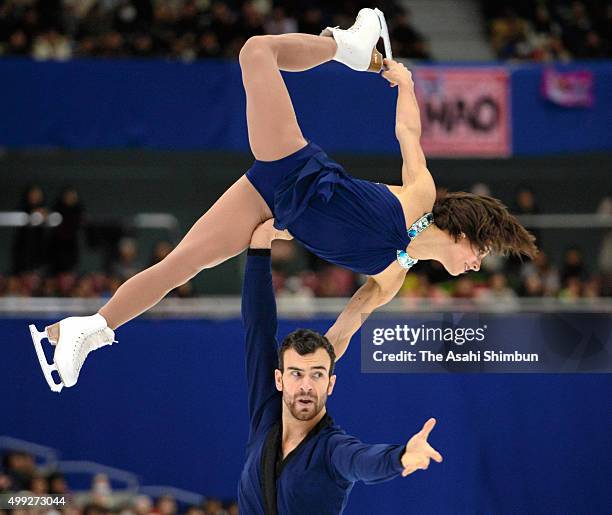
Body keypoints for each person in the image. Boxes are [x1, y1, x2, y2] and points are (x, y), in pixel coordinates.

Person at [32, 8, 536, 391]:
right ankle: (345, 45)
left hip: (270, 207)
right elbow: (408, 131)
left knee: (178, 267)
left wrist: (315, 383)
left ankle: (85, 329)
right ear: (467, 235)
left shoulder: (391, 277)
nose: (477, 266)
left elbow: (343, 330)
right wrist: (403, 81)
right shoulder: (420, 198)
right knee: (256, 51)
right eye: (481, 253)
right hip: (293, 168)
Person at [239, 220, 442, 514]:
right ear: (279, 380)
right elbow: (258, 328)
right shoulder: (266, 417)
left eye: (317, 374)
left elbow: (363, 461)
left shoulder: (333, 449)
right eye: (296, 374)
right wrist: (259, 249)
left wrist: (402, 457)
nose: (306, 386)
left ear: (330, 383)